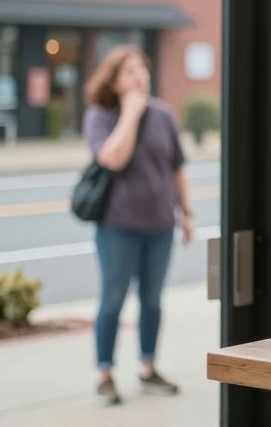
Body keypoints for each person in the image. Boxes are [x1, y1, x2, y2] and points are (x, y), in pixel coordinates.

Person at [82, 46, 194, 404]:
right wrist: (130, 114)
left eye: (142, 69)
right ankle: (105, 373)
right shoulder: (101, 115)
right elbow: (113, 159)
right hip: (118, 226)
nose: (139, 76)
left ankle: (148, 368)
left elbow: (176, 166)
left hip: (160, 225)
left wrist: (187, 213)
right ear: (113, 81)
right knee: (113, 300)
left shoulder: (163, 114)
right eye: (129, 71)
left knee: (152, 301)